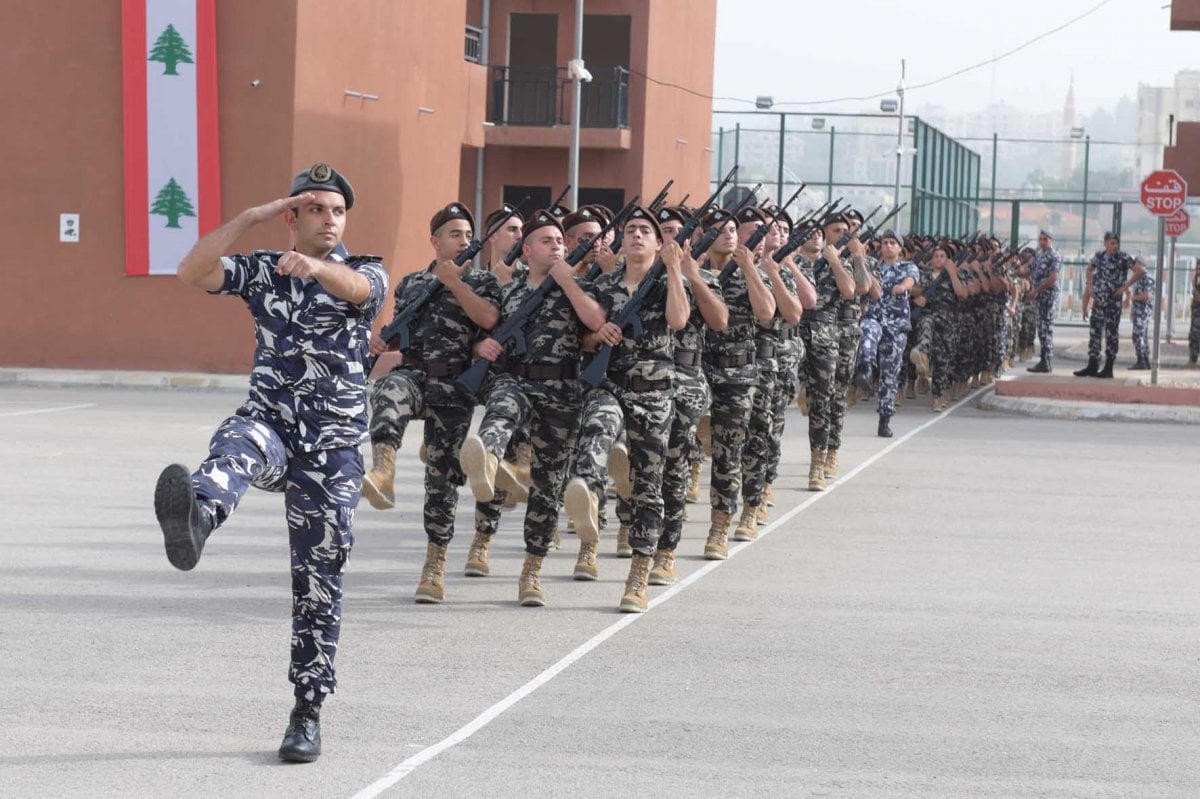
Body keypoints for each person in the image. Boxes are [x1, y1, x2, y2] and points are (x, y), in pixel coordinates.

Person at [153, 164, 388, 762]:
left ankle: (307, 708)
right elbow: (191, 272)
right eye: (316, 210)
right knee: (238, 440)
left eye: (337, 211)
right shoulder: (262, 269)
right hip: (275, 423)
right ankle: (199, 517)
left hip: (333, 451)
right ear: (293, 217)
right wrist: (248, 220)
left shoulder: (366, 271)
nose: (329, 220)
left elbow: (358, 293)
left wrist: (316, 267)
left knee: (318, 579)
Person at [459, 211, 606, 604]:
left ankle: (531, 573)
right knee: (501, 409)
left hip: (562, 389)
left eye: (560, 241)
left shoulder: (582, 285)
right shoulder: (507, 290)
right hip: (518, 378)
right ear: (526, 251)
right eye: (546, 241)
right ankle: (487, 458)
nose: (556, 245)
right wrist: (480, 347)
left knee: (548, 485)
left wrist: (567, 282)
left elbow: (595, 320)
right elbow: (481, 333)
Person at [362, 202, 501, 603]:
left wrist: (455, 283)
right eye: (454, 234)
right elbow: (401, 335)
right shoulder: (410, 284)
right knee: (387, 390)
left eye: (467, 235)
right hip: (417, 374)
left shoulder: (483, 282)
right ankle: (383, 470)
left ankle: (434, 564)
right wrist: (381, 341)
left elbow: (490, 320)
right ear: (435, 241)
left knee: (442, 479)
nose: (463, 241)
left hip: (456, 383)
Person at [564, 206, 689, 612]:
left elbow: (679, 319)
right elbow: (580, 340)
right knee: (598, 425)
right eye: (630, 229)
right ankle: (586, 491)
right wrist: (597, 333)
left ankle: (638, 575)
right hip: (612, 383)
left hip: (655, 395)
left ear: (658, 242)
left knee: (649, 489)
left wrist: (673, 270)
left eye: (645, 231)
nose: (636, 235)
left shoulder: (669, 282)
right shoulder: (604, 287)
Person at [853, 230, 919, 437]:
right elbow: (862, 286)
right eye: (885, 243)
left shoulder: (908, 267)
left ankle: (884, 418)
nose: (888, 246)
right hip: (875, 318)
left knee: (890, 374)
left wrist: (902, 287)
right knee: (867, 330)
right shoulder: (874, 266)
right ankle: (865, 367)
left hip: (896, 326)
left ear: (900, 248)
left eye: (893, 243)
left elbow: (911, 281)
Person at [1076, 232, 1143, 378]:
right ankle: (1092, 365)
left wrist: (1125, 287)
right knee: (1095, 333)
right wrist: (1090, 287)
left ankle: (1108, 368)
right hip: (1099, 302)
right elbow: (1089, 269)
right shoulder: (1099, 256)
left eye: (1116, 243)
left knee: (1111, 334)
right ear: (1105, 243)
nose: (1115, 246)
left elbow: (1140, 271)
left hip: (1113, 303)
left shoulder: (1123, 257)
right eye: (1112, 243)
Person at [1025, 229, 1062, 373]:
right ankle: (1043, 360)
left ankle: (1046, 361)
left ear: (1050, 240)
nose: (1042, 242)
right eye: (1040, 239)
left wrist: (1036, 291)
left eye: (1045, 239)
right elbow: (1029, 270)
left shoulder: (1054, 256)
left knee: (1046, 329)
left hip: (1048, 298)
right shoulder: (1039, 256)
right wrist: (1013, 271)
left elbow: (1053, 277)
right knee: (1041, 330)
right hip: (1039, 299)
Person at [1128, 258, 1154, 370]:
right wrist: (1132, 311)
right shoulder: (1138, 278)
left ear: (1141, 265)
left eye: (1136, 266)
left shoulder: (1147, 278)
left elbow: (1147, 294)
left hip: (1143, 311)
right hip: (1138, 311)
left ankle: (1141, 360)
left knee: (1137, 335)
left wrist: (1133, 298)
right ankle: (1145, 361)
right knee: (1141, 336)